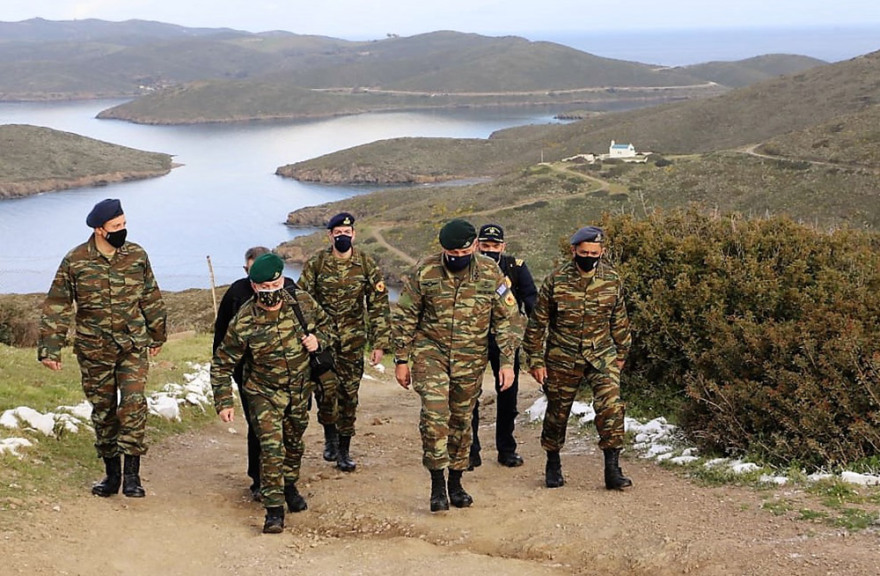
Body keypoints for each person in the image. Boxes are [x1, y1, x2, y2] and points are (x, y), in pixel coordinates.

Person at [38, 198, 166, 499]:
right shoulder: (76, 260)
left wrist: (157, 334)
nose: (122, 230)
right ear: (99, 230)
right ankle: (112, 476)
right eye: (116, 227)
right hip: (94, 349)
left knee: (133, 404)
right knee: (104, 411)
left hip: (132, 344)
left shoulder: (136, 255)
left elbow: (151, 296)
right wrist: (50, 349)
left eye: (124, 224)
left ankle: (133, 477)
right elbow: (57, 304)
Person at [393, 218, 519, 512]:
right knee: (436, 415)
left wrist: (507, 362)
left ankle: (456, 481)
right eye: (452, 255)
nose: (458, 259)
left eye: (464, 254)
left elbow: (507, 319)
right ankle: (437, 485)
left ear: (474, 246)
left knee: (462, 419)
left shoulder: (490, 272)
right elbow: (406, 317)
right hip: (430, 352)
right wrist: (401, 359)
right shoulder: (425, 271)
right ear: (443, 249)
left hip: (471, 356)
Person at [212, 253, 336, 534]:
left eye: (275, 285)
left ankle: (289, 485)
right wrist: (223, 401)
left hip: (299, 389)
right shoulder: (244, 320)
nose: (271, 292)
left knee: (293, 444)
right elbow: (222, 363)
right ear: (254, 287)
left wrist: (318, 340)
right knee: (270, 447)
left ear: (282, 280)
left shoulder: (301, 303)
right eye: (264, 288)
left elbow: (328, 326)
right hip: (262, 392)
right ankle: (273, 510)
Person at [522, 226, 633, 491]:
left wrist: (621, 353)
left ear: (602, 252)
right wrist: (535, 360)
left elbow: (619, 319)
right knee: (558, 411)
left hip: (601, 353)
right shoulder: (557, 280)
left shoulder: (612, 279)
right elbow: (538, 323)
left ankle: (612, 468)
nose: (589, 257)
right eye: (584, 253)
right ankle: (552, 461)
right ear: (574, 251)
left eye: (594, 253)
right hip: (563, 354)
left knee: (611, 406)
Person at [299, 212, 392, 472]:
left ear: (354, 235)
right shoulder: (316, 264)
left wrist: (379, 342)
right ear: (330, 235)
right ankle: (329, 436)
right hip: (323, 343)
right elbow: (302, 301)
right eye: (337, 232)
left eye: (346, 232)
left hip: (352, 342)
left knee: (349, 396)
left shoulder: (365, 264)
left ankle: (344, 450)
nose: (342, 236)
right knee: (326, 393)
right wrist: (308, 335)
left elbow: (378, 305)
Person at [212, 246, 296, 501]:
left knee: (290, 431)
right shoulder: (237, 294)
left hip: (291, 379)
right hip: (251, 377)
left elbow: (312, 328)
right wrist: (226, 385)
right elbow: (221, 338)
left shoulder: (293, 292)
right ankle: (260, 480)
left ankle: (287, 483)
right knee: (260, 428)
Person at [469, 223, 537, 470]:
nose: (489, 251)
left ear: (503, 247)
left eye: (494, 246)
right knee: (469, 395)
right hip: (474, 339)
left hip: (506, 340)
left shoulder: (516, 268)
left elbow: (531, 300)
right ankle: (470, 450)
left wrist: (537, 335)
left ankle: (507, 449)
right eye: (484, 246)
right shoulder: (468, 268)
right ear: (477, 245)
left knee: (508, 396)